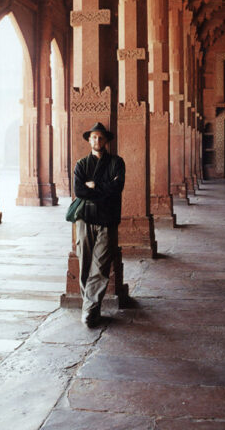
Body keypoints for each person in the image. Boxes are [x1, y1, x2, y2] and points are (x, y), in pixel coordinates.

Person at [73, 122, 125, 327]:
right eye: (94, 137)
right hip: (85, 219)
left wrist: (94, 186)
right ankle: (91, 309)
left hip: (107, 220)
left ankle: (88, 309)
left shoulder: (116, 162)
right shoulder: (81, 164)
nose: (97, 140)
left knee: (101, 266)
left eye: (101, 137)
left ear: (106, 141)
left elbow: (117, 187)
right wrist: (104, 188)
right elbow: (80, 191)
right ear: (89, 140)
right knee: (85, 264)